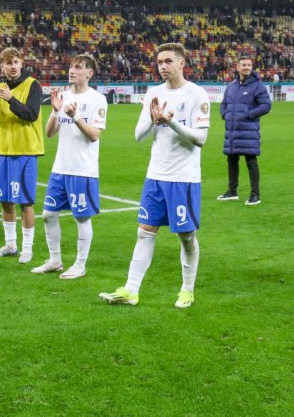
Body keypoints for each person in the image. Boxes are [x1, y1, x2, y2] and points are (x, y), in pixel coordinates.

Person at [100, 43, 210, 309]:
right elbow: (139, 135)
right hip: (155, 177)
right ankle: (131, 289)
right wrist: (153, 118)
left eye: (168, 61)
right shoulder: (153, 93)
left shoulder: (197, 94)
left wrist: (170, 122)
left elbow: (201, 139)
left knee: (186, 237)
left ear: (182, 63)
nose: (163, 66)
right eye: (159, 61)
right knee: (144, 233)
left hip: (183, 179)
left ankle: (187, 290)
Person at [31, 54, 107, 279]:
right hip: (60, 168)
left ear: (89, 73)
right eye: (71, 67)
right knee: (47, 214)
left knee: (81, 217)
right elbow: (49, 133)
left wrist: (75, 117)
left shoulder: (97, 100)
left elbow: (94, 135)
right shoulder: (62, 96)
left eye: (78, 68)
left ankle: (80, 265)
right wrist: (56, 111)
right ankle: (55, 260)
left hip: (82, 170)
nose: (72, 71)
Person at [0, 47, 43, 264]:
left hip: (26, 150)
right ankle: (10, 244)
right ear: (2, 66)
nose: (13, 66)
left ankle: (27, 248)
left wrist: (9, 99)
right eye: (8, 63)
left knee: (25, 202)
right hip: (4, 151)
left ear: (21, 63)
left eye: (16, 62)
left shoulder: (33, 85)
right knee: (6, 200)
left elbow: (31, 114)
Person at [217, 55, 271, 205]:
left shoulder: (258, 86)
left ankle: (255, 194)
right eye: (244, 65)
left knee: (251, 161)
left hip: (248, 131)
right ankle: (232, 191)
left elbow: (266, 106)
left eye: (249, 65)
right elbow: (223, 104)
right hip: (232, 131)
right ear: (238, 67)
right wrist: (225, 114)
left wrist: (249, 115)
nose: (246, 67)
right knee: (231, 160)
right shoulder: (232, 86)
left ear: (251, 67)